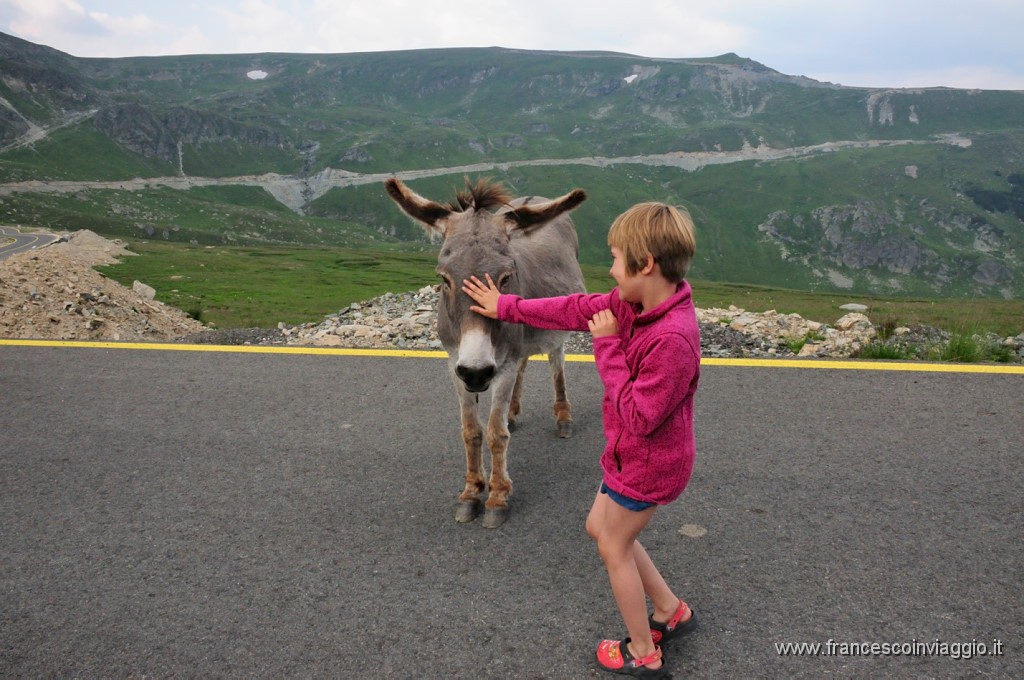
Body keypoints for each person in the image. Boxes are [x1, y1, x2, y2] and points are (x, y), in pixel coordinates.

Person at [462, 201, 701, 678]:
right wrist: (506, 306)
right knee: (603, 528)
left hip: (648, 462)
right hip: (625, 457)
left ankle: (643, 650)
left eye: (614, 259)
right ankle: (671, 610)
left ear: (645, 264)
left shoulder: (672, 339)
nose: (608, 270)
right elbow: (573, 308)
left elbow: (640, 416)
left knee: (613, 547)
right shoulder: (630, 304)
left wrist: (607, 345)